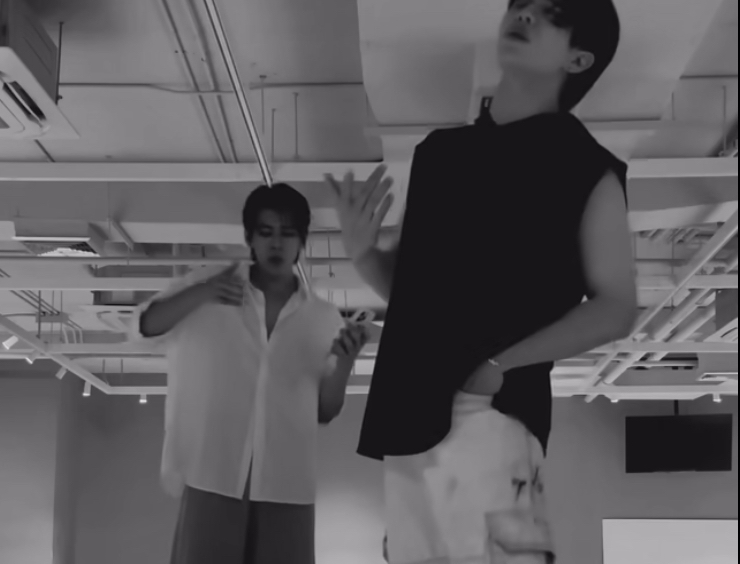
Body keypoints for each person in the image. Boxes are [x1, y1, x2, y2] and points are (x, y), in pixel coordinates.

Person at [327, 0, 638, 562]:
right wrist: (364, 253)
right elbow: (417, 298)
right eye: (521, 5)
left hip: (492, 409)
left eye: (551, 13)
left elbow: (615, 306)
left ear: (578, 58)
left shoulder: (588, 168)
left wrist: (500, 365)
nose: (525, 14)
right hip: (408, 410)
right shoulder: (439, 155)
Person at [130, 184, 370, 564]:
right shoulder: (209, 287)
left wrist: (344, 363)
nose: (276, 243)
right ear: (249, 237)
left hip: (287, 482)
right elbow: (144, 329)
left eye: (287, 233)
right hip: (213, 471)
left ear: (301, 241)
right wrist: (204, 292)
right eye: (266, 231)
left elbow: (325, 410)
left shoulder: (322, 318)